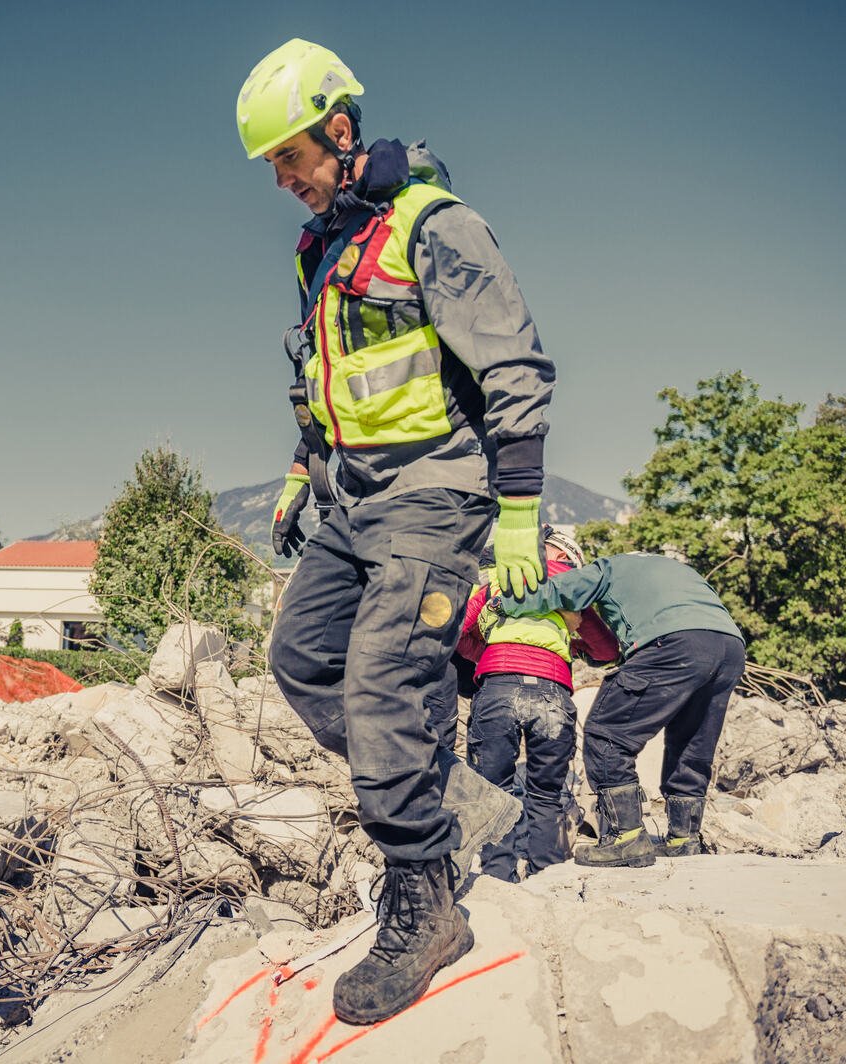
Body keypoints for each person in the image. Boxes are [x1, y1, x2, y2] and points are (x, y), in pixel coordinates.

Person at [238, 39, 555, 1024]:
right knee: (300, 658)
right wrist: (300, 470)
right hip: (359, 503)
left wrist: (521, 517)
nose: (283, 180)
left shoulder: (433, 224)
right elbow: (325, 382)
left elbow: (516, 369)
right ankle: (453, 795)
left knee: (385, 674)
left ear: (340, 128)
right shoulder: (320, 248)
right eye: (271, 168)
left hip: (441, 496)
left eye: (290, 156)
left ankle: (425, 899)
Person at [491, 551, 746, 867]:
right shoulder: (679, 571)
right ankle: (684, 838)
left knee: (607, 733)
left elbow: (558, 591)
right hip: (730, 647)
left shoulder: (608, 567)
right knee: (692, 741)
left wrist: (504, 604)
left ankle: (626, 839)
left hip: (673, 642)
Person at [457, 527, 620, 882]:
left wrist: (490, 653)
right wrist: (574, 646)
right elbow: (607, 650)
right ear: (566, 557)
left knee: (493, 790)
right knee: (545, 793)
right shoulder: (572, 585)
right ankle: (545, 876)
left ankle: (497, 877)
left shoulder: (501, 577)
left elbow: (457, 630)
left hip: (498, 686)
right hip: (551, 692)